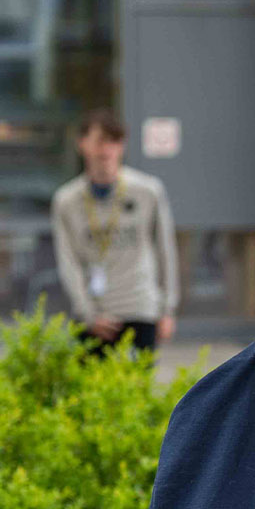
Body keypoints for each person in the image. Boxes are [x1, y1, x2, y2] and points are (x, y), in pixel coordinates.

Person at [51, 109, 178, 353]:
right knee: (92, 387)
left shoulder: (148, 191)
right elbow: (68, 261)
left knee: (139, 387)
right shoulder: (67, 201)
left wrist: (167, 309)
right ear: (82, 144)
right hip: (95, 313)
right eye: (99, 141)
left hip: (140, 307)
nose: (106, 150)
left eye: (114, 141)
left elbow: (165, 251)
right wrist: (87, 313)